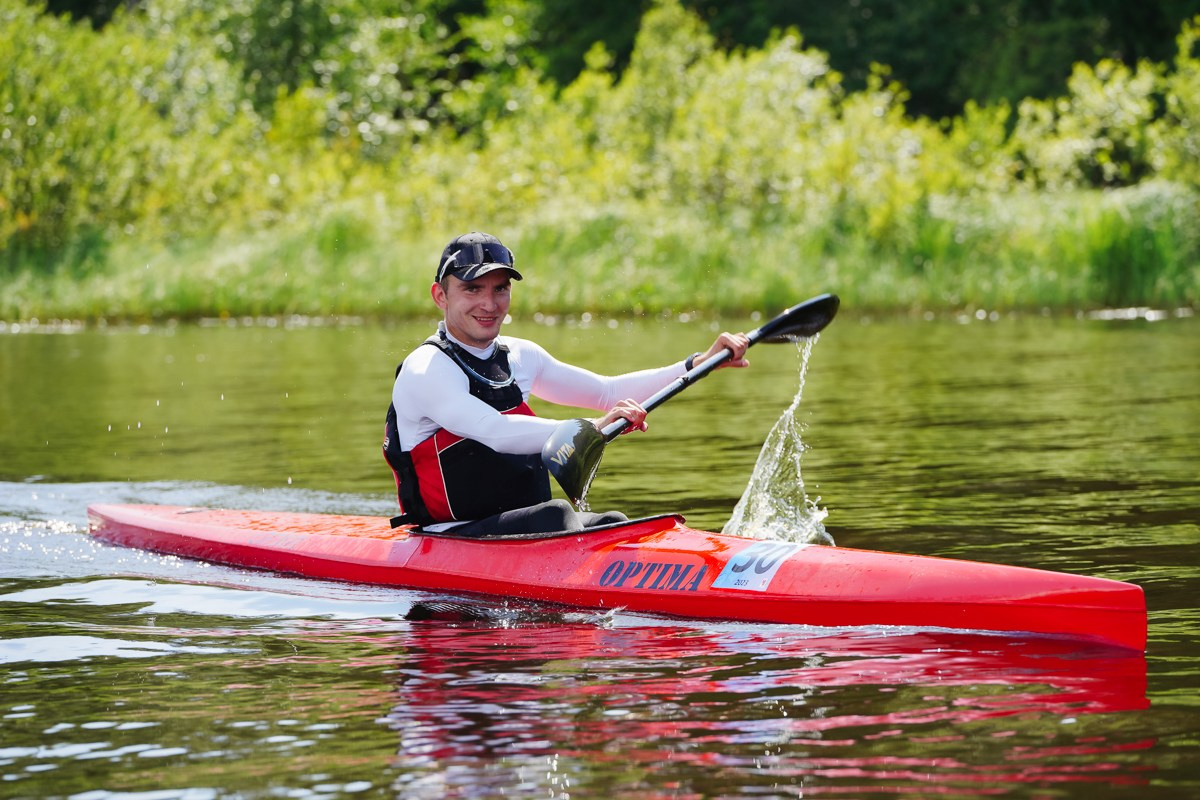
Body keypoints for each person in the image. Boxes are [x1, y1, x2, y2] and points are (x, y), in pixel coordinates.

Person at [384, 231, 750, 536]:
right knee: (556, 514)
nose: (490, 303)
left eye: (500, 289)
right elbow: (491, 429)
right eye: (472, 289)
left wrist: (696, 364)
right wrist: (588, 428)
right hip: (451, 533)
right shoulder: (427, 369)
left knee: (613, 523)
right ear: (440, 296)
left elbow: (607, 392)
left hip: (525, 528)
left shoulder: (520, 355)